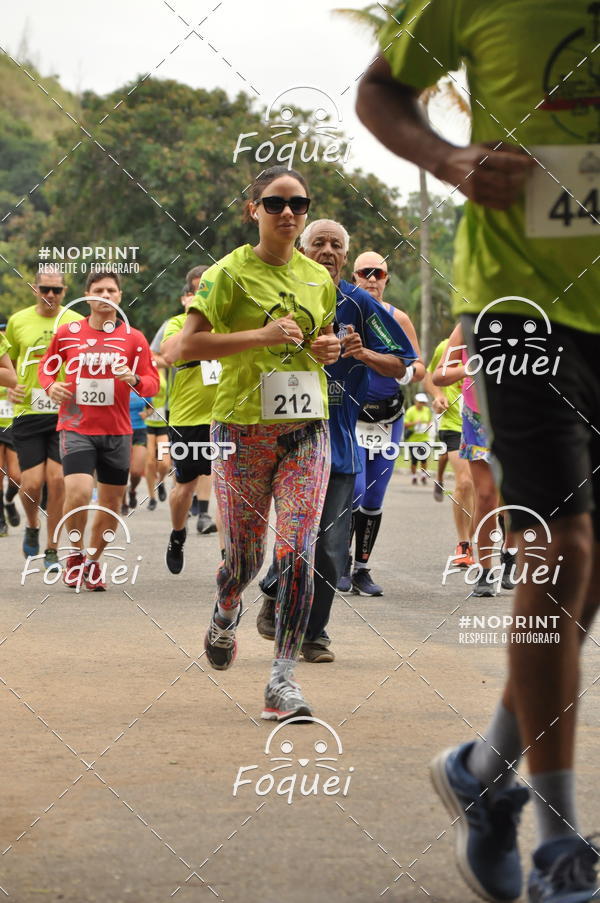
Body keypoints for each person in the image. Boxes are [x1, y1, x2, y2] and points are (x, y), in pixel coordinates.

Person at [358, 3, 600, 899]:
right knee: (559, 546)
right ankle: (558, 844)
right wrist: (449, 159)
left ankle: (483, 771)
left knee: (591, 567)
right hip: (518, 301)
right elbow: (380, 90)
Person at [179, 165, 340, 721]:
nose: (288, 212)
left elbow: (321, 339)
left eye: (298, 203)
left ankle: (281, 681)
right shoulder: (226, 274)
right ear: (254, 210)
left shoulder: (319, 278)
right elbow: (187, 347)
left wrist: (326, 349)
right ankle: (226, 609)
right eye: (275, 203)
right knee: (244, 561)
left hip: (305, 429)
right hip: (240, 432)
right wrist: (261, 336)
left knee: (297, 551)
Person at [256, 219, 415, 660]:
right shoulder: (279, 295)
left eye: (336, 245)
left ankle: (314, 634)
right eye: (319, 243)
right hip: (288, 438)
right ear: (302, 249)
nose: (327, 250)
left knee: (329, 546)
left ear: (345, 255)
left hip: (339, 440)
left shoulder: (360, 304)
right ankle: (274, 588)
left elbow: (401, 363)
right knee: (295, 535)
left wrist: (363, 352)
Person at [38, 268, 159, 591]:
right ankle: (75, 555)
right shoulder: (68, 333)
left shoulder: (133, 338)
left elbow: (152, 383)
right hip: (76, 426)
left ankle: (93, 561)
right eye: (99, 291)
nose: (106, 296)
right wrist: (50, 386)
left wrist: (134, 379)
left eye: (111, 291)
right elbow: (46, 367)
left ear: (120, 296)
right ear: (87, 296)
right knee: (78, 492)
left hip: (118, 431)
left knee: (111, 505)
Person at [341, 251, 424, 595]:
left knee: (374, 496)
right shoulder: (343, 312)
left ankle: (362, 569)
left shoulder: (397, 318)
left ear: (387, 279)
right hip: (352, 416)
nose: (372, 279)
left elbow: (419, 367)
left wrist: (404, 372)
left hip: (389, 418)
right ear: (355, 276)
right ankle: (340, 561)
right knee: (355, 489)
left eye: (379, 273)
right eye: (366, 272)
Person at [5, 267, 82, 567]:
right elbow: (9, 365)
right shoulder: (18, 321)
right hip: (29, 410)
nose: (51, 295)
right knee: (32, 483)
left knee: (58, 480)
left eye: (57, 290)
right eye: (45, 289)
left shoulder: (76, 321)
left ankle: (52, 547)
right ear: (35, 289)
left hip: (66, 411)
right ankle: (32, 525)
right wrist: (10, 388)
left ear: (65, 292)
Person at [434, 324, 515, 595]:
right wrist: (468, 369)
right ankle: (486, 570)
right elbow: (440, 375)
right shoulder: (467, 324)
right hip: (478, 418)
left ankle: (510, 552)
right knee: (486, 496)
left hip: (520, 416)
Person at [160, 295, 222, 573]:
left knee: (228, 490)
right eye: (197, 293)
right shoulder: (176, 323)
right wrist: (197, 325)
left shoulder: (228, 321)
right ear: (186, 298)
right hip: (188, 418)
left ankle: (228, 558)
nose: (204, 298)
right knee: (185, 487)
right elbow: (169, 354)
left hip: (227, 416)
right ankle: (178, 533)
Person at [424, 338, 474, 568]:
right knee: (465, 482)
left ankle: (481, 541)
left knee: (487, 489)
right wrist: (437, 395)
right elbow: (429, 375)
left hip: (484, 424)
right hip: (454, 423)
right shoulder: (447, 346)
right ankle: (463, 544)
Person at [0, 329, 21, 536]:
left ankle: (8, 500)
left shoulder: (15, 366)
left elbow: (15, 382)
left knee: (16, 476)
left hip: (12, 424)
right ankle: (1, 520)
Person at [122, 386, 151, 515]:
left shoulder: (141, 387)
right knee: (122, 469)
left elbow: (150, 408)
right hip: (121, 431)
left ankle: (132, 490)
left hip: (139, 431)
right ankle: (123, 502)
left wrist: (146, 413)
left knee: (136, 471)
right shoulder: (116, 386)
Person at [144, 365, 170, 511]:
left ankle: (160, 482)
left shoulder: (164, 367)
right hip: (146, 423)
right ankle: (152, 498)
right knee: (150, 462)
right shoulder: (144, 367)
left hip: (162, 423)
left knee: (164, 463)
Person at [403, 392, 433, 486]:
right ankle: (414, 476)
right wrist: (415, 423)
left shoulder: (427, 410)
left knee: (424, 458)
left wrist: (427, 425)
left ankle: (423, 476)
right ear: (416, 401)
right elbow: (405, 424)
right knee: (414, 460)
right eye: (420, 402)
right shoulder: (410, 411)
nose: (422, 404)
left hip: (424, 438)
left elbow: (429, 420)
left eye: (423, 402)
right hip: (413, 439)